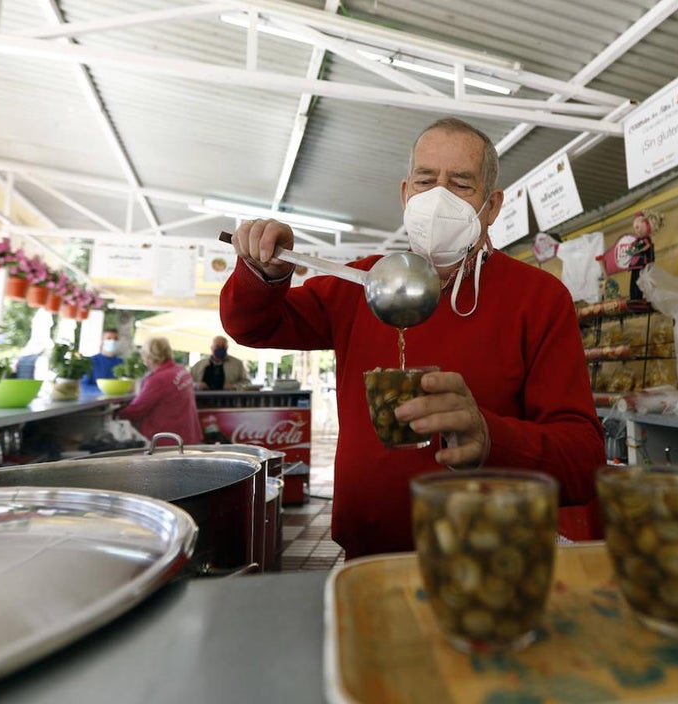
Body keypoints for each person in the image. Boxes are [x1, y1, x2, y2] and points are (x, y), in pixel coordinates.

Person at [220, 117, 605, 558]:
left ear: (493, 206)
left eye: (461, 184)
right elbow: (251, 326)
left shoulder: (538, 298)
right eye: (426, 180)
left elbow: (583, 458)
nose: (439, 196)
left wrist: (490, 437)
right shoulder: (360, 282)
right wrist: (264, 271)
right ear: (405, 194)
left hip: (495, 557)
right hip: (369, 550)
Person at [117, 336, 203, 444]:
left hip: (167, 440)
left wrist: (116, 414)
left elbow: (137, 409)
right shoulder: (182, 371)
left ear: (149, 356)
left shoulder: (158, 379)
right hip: (189, 435)